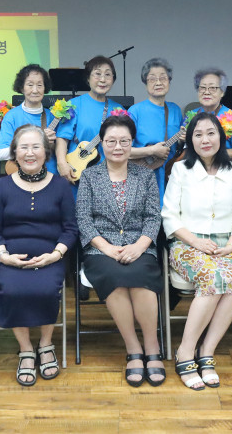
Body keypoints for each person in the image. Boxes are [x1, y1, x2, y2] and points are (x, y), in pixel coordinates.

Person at [0, 125, 78, 386]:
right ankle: (25, 349)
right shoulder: (1, 186)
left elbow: (70, 229)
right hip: (10, 258)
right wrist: (3, 256)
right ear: (14, 153)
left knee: (46, 290)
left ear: (46, 152)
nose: (30, 153)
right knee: (11, 289)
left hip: (50, 258)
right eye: (23, 147)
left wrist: (56, 255)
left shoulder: (60, 186)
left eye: (36, 147)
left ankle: (45, 344)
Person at [161, 112, 232, 391]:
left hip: (226, 244)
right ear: (190, 139)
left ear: (222, 136)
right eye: (198, 134)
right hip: (187, 244)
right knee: (212, 278)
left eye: (211, 133)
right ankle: (185, 352)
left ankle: (207, 351)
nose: (205, 139)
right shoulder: (180, 169)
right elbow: (170, 216)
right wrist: (196, 243)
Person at [76, 115, 165, 388]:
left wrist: (140, 246)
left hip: (140, 246)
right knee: (114, 278)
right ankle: (133, 349)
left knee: (141, 278)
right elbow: (83, 219)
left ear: (132, 143)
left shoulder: (146, 175)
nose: (117, 146)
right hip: (101, 249)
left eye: (124, 141)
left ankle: (153, 347)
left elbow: (153, 217)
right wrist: (107, 248)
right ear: (101, 144)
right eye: (111, 141)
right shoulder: (89, 176)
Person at [56, 56, 123, 184]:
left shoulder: (118, 109)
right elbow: (62, 137)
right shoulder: (73, 105)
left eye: (108, 75)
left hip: (107, 176)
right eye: (97, 74)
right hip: (76, 172)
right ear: (88, 78)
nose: (102, 79)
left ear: (113, 80)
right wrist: (61, 163)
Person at [128, 58, 184, 201]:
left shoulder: (175, 109)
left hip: (170, 176)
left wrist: (181, 141)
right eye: (152, 79)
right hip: (143, 178)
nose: (158, 82)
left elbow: (178, 148)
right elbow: (123, 151)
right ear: (145, 83)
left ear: (169, 81)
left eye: (163, 78)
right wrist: (152, 151)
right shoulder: (135, 111)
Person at [0, 64, 58, 172]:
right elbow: (1, 154)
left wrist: (52, 144)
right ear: (22, 88)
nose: (35, 90)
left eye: (39, 85)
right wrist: (31, 145)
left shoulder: (53, 116)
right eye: (30, 85)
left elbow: (63, 151)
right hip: (20, 177)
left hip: (49, 174)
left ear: (45, 88)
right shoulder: (11, 116)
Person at [187, 68, 232, 162]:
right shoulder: (191, 116)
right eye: (202, 87)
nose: (206, 92)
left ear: (222, 92)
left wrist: (212, 154)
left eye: (212, 88)